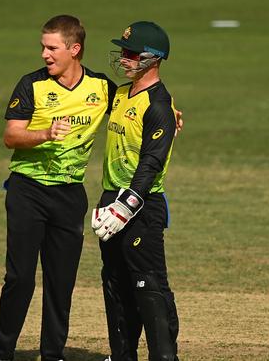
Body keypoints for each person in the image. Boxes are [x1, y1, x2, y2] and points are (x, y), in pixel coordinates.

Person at [0, 15, 117, 361]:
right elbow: (11, 136)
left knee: (61, 282)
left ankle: (52, 353)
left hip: (69, 194)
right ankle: (2, 352)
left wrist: (169, 112)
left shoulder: (102, 88)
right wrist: (44, 134)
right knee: (20, 278)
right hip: (27, 191)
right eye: (43, 47)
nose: (44, 54)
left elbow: (137, 106)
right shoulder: (31, 85)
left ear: (74, 49)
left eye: (51, 48)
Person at [91, 21, 180, 361]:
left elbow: (151, 163)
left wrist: (125, 207)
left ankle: (164, 355)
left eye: (131, 53)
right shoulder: (119, 94)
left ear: (153, 59)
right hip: (110, 198)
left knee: (149, 285)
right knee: (114, 283)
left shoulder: (159, 105)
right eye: (123, 52)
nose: (124, 59)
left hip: (142, 205)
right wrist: (111, 203)